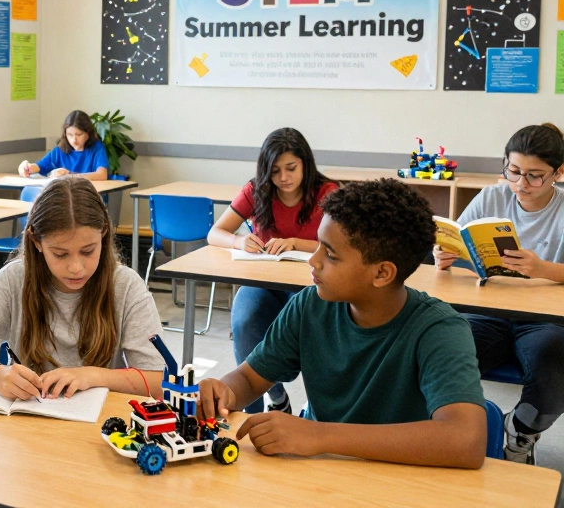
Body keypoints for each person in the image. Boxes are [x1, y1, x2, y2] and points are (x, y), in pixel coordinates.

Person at [197, 179, 487, 469]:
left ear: (382, 273)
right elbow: (250, 378)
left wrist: (320, 435)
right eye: (319, 245)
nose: (313, 260)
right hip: (321, 470)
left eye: (330, 255)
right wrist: (224, 390)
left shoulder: (439, 330)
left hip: (399, 479)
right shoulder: (309, 305)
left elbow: (465, 440)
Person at [0, 176, 167, 399]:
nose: (76, 268)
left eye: (88, 251)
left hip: (101, 425)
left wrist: (92, 375)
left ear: (104, 234)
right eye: (60, 254)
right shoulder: (14, 279)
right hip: (30, 422)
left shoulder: (125, 285)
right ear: (37, 242)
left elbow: (158, 381)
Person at [435, 123, 564, 464]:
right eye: (514, 171)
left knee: (554, 367)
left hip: (545, 319)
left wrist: (543, 269)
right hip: (487, 308)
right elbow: (459, 241)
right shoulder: (493, 197)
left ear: (559, 172)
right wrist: (444, 255)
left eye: (535, 175)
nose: (521, 184)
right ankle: (451, 432)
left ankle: (519, 432)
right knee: (446, 352)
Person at [206, 127, 337, 413]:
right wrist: (239, 240)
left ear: (305, 163)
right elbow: (215, 233)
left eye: (291, 168)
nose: (283, 178)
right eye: (275, 171)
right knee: (244, 320)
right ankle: (263, 404)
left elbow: (342, 245)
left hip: (309, 283)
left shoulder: (327, 193)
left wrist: (295, 243)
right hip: (264, 280)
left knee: (309, 327)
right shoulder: (257, 190)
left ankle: (318, 409)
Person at [18, 110, 109, 181]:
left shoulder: (97, 148)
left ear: (88, 133)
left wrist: (69, 175)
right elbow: (39, 166)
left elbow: (102, 174)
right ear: (65, 134)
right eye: (70, 135)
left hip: (90, 197)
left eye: (79, 135)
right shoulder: (60, 150)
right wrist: (26, 168)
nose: (74, 140)